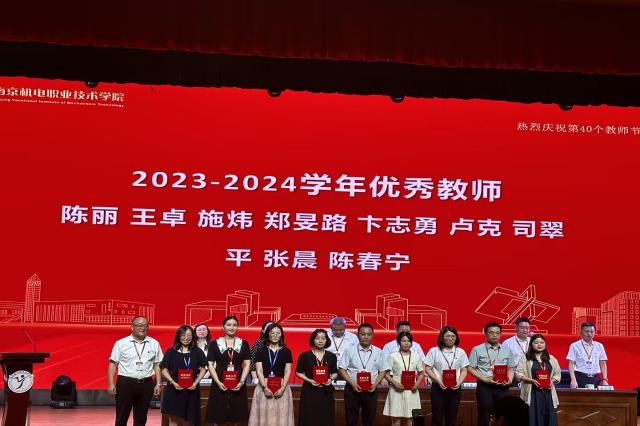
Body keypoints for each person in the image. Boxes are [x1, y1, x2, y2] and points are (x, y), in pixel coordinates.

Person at [108, 316, 163, 426]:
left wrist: (158, 384)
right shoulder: (121, 343)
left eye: (145, 325)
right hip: (125, 383)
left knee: (141, 418)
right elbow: (113, 364)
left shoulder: (154, 343)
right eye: (139, 325)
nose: (143, 328)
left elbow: (157, 365)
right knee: (121, 417)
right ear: (132, 327)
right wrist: (110, 384)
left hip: (146, 384)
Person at [338, 323, 388, 426]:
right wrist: (352, 384)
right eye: (363, 334)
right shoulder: (349, 351)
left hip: (371, 390)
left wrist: (375, 384)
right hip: (352, 389)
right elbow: (342, 369)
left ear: (372, 335)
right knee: (351, 420)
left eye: (369, 334)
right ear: (358, 335)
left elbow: (383, 370)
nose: (366, 337)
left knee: (369, 420)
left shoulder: (379, 352)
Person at [205, 315, 251, 425]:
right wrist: (217, 382)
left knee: (236, 417)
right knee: (218, 416)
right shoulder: (215, 344)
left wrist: (241, 382)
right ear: (223, 327)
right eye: (228, 325)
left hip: (238, 383)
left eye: (234, 325)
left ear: (237, 327)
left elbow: (247, 364)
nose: (231, 327)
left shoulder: (243, 343)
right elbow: (210, 364)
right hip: (219, 383)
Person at [467, 322, 516, 426]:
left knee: (502, 413)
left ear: (500, 334)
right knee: (484, 413)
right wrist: (484, 379)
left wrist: (510, 380)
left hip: (502, 386)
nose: (495, 335)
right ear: (485, 333)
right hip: (485, 385)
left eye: (497, 333)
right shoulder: (477, 349)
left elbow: (511, 368)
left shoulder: (507, 350)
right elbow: (470, 368)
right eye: (491, 332)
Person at [161, 325, 208, 426]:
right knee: (174, 419)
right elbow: (164, 369)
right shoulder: (171, 351)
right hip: (174, 389)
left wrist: (196, 382)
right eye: (183, 335)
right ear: (178, 336)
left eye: (189, 335)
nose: (186, 338)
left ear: (192, 336)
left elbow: (204, 368)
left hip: (192, 389)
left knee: (189, 419)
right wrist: (172, 382)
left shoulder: (197, 351)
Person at [249, 323, 295, 426]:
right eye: (272, 333)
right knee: (264, 416)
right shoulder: (260, 351)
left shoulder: (286, 351)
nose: (275, 335)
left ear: (281, 335)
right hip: (264, 386)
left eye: (278, 333)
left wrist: (283, 388)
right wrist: (265, 388)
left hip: (282, 387)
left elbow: (287, 371)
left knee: (282, 416)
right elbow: (259, 371)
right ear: (267, 334)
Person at [424, 325, 469, 426]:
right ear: (442, 337)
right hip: (438, 388)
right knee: (437, 417)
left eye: (453, 336)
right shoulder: (434, 351)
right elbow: (427, 368)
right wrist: (438, 380)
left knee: (452, 418)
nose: (451, 338)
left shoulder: (460, 352)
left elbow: (464, 369)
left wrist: (459, 382)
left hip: (455, 389)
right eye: (448, 336)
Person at [295, 329, 339, 425]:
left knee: (325, 417)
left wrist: (330, 379)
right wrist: (309, 380)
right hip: (309, 391)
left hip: (326, 392)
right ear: (313, 340)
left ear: (327, 340)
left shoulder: (331, 356)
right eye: (317, 338)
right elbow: (298, 372)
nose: (320, 341)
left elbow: (335, 372)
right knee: (309, 417)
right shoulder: (304, 355)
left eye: (323, 338)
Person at [515, 334, 561, 426]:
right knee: (532, 419)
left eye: (542, 342)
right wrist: (531, 380)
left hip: (548, 394)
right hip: (532, 393)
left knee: (549, 419)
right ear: (531, 344)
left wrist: (552, 381)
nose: (539, 345)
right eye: (536, 343)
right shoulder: (525, 358)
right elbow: (518, 374)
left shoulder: (551, 359)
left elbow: (557, 374)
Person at [383, 331, 425, 426]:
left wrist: (417, 384)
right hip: (396, 389)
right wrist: (395, 383)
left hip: (412, 390)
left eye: (409, 341)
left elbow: (421, 373)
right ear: (399, 342)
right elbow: (386, 374)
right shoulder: (392, 356)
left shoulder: (416, 356)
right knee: (396, 419)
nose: (406, 343)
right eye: (403, 341)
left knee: (410, 419)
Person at [566, 322, 609, 389]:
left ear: (594, 332)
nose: (589, 333)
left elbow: (603, 364)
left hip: (595, 378)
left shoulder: (599, 346)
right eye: (586, 331)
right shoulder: (574, 346)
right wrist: (573, 380)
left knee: (595, 395)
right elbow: (570, 364)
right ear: (581, 332)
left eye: (591, 331)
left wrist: (604, 379)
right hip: (580, 377)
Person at [502, 317, 531, 385]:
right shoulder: (507, 343)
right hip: (513, 375)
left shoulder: (533, 342)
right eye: (522, 328)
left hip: (530, 375)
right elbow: (503, 361)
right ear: (516, 328)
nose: (525, 330)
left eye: (527, 328)